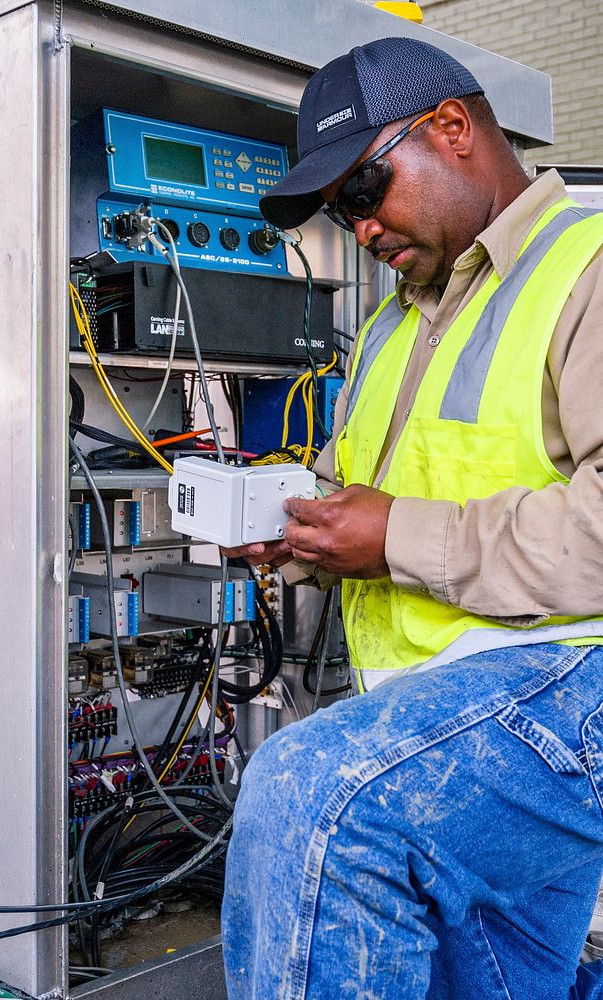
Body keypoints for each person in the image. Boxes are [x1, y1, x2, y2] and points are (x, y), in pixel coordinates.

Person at [220, 35, 603, 1000]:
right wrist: (300, 535)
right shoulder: (395, 322)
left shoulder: (586, 268)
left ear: (452, 127)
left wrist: (394, 535)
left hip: (569, 688)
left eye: (363, 190)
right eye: (337, 210)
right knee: (487, 981)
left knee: (316, 799)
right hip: (447, 711)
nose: (357, 230)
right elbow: (371, 500)